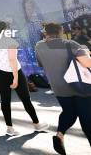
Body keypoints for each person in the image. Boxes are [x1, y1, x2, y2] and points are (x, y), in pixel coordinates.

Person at [35, 22, 91, 154]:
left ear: (45, 33)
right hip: (79, 86)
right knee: (86, 118)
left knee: (69, 112)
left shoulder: (39, 46)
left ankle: (59, 135)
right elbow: (88, 63)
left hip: (58, 88)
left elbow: (41, 64)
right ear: (61, 32)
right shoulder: (71, 44)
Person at [0, 21, 48, 136]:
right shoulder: (11, 42)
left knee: (5, 100)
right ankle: (36, 124)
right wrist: (15, 78)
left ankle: (9, 128)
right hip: (13, 72)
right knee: (25, 99)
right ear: (6, 29)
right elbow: (12, 60)